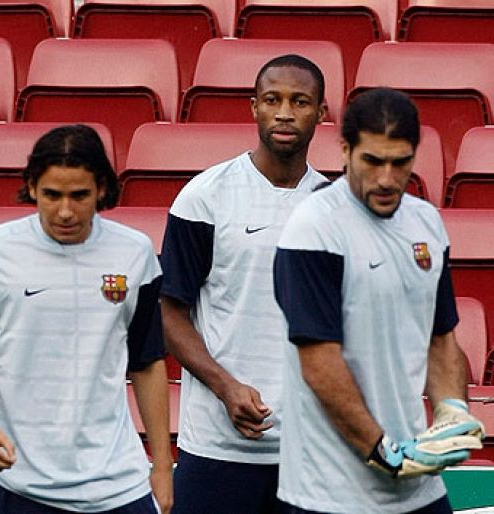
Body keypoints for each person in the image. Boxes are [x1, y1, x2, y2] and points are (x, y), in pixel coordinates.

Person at [273, 87, 485, 513]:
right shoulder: (313, 228)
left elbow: (440, 337)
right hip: (331, 493)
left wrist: (452, 411)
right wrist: (383, 452)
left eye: (400, 162)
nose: (387, 179)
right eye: (372, 161)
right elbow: (319, 363)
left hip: (419, 485)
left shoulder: (427, 223)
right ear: (345, 151)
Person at [0, 124, 174, 513]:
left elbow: (147, 361)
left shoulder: (135, 253)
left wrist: (161, 465)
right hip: (20, 483)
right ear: (32, 187)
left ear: (101, 189)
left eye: (79, 196)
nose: (66, 211)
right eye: (52, 195)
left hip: (119, 483)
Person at [158, 54, 329, 513]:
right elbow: (169, 313)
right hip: (216, 447)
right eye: (272, 100)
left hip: (312, 453)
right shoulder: (204, 197)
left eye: (300, 102)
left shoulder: (336, 210)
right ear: (254, 107)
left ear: (321, 112)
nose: (285, 113)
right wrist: (225, 386)